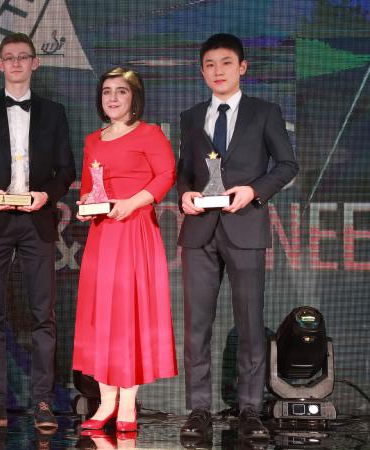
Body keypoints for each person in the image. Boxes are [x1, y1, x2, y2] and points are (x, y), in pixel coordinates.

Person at [177, 33, 298, 441]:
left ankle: (249, 409)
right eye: (210, 64)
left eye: (226, 63)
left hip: (245, 226)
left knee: (250, 325)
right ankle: (198, 410)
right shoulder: (192, 116)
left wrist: (255, 191)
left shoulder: (264, 112)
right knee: (197, 326)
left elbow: (287, 164)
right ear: (202, 71)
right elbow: (184, 171)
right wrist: (185, 193)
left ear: (242, 67)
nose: (218, 71)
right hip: (199, 233)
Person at [0, 33, 75, 431]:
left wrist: (46, 195)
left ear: (35, 63)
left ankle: (42, 402)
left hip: (37, 221)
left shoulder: (54, 112)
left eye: (24, 57)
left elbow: (66, 171)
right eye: (9, 57)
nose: (17, 63)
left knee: (43, 315)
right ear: (0, 65)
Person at [72, 67, 178, 434]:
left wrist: (132, 203)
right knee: (102, 317)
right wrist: (87, 204)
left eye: (121, 91)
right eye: (106, 92)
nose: (113, 98)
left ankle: (128, 404)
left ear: (135, 98)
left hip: (134, 232)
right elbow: (88, 187)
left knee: (128, 318)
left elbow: (166, 176)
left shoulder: (150, 134)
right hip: (102, 236)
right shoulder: (93, 140)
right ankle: (106, 403)